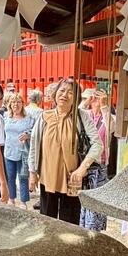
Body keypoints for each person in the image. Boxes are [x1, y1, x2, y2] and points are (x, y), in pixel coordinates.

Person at [28, 79, 102, 225]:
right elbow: (34, 146)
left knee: (70, 223)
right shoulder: (44, 117)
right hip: (48, 176)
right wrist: (32, 172)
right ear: (55, 94)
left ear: (76, 98)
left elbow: (97, 144)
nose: (64, 95)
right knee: (46, 220)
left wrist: (82, 168)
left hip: (73, 178)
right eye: (62, 91)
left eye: (70, 92)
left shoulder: (81, 117)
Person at [79, 90, 110, 231]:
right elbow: (75, 115)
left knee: (96, 199)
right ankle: (82, 226)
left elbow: (111, 127)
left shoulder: (107, 117)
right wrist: (85, 101)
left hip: (99, 164)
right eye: (94, 99)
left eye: (98, 99)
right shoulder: (85, 115)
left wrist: (104, 106)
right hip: (83, 162)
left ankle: (94, 230)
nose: (96, 101)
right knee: (83, 196)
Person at [3, 93, 35, 208]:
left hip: (23, 153)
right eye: (13, 102)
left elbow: (35, 132)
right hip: (9, 152)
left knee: (23, 177)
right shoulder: (5, 116)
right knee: (10, 176)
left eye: (18, 102)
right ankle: (11, 199)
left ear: (22, 104)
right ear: (9, 104)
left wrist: (28, 135)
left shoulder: (29, 118)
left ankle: (23, 201)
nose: (15, 104)